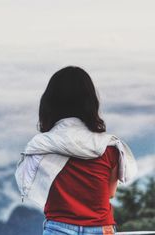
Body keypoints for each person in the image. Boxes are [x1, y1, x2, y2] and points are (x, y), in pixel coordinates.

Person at [14, 66, 138, 235]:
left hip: (58, 228)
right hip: (101, 229)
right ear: (91, 103)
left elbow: (31, 185)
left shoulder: (40, 147)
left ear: (49, 103)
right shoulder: (110, 147)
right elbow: (109, 193)